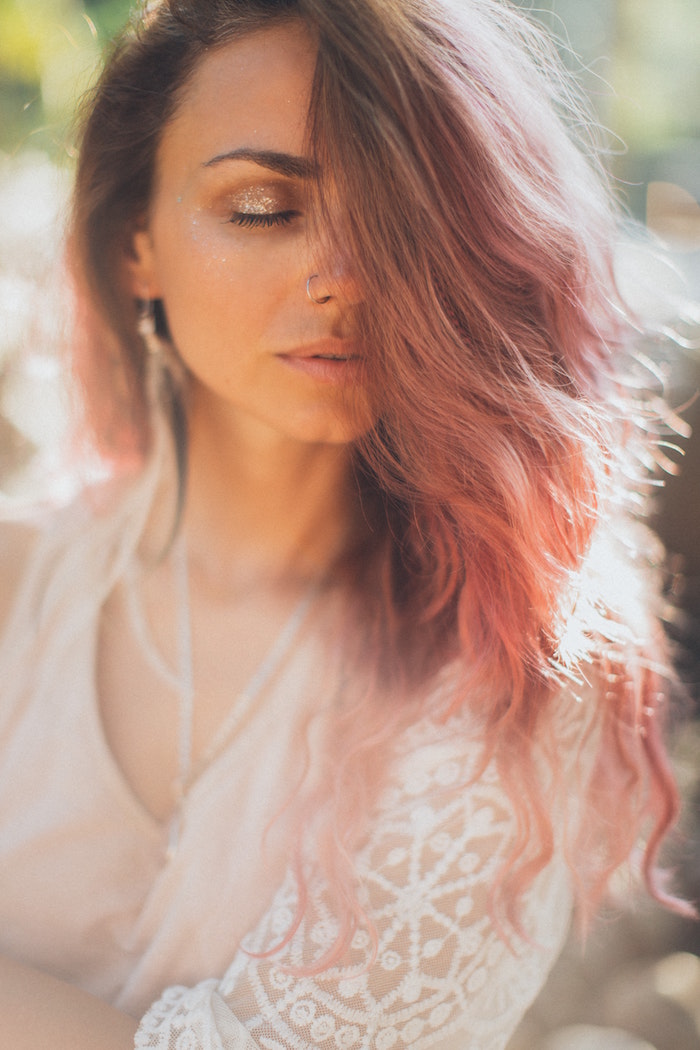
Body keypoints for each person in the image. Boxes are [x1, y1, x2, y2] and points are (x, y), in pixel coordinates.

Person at [0, 0, 693, 1047]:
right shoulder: (17, 582)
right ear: (136, 244)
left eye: (399, 219)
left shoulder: (518, 663)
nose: (348, 277)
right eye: (264, 207)